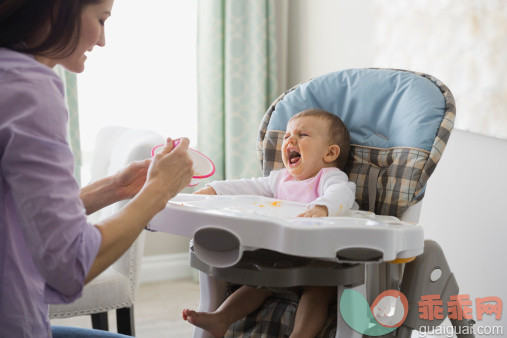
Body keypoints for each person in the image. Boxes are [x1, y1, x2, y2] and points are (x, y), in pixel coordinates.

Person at [0, 0, 194, 337]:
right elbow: (71, 263)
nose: (102, 40)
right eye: (101, 20)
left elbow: (21, 212)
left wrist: (115, 188)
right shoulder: (29, 88)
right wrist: (158, 191)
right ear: (57, 10)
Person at [182, 108, 358, 338]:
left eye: (303, 135)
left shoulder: (329, 177)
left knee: (317, 291)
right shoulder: (280, 178)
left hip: (323, 263)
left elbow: (342, 193)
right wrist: (214, 189)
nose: (290, 140)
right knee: (258, 283)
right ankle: (221, 318)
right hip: (284, 260)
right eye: (286, 136)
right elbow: (248, 186)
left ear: (330, 153)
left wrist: (322, 207)